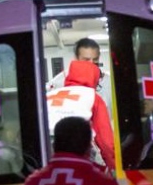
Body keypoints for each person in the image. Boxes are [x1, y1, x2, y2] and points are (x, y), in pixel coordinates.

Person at [45, 38, 117, 172]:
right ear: (76, 58)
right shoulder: (56, 84)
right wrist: (114, 166)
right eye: (86, 60)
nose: (91, 65)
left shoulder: (110, 82)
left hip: (52, 159)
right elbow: (106, 142)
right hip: (81, 153)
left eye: (95, 61)